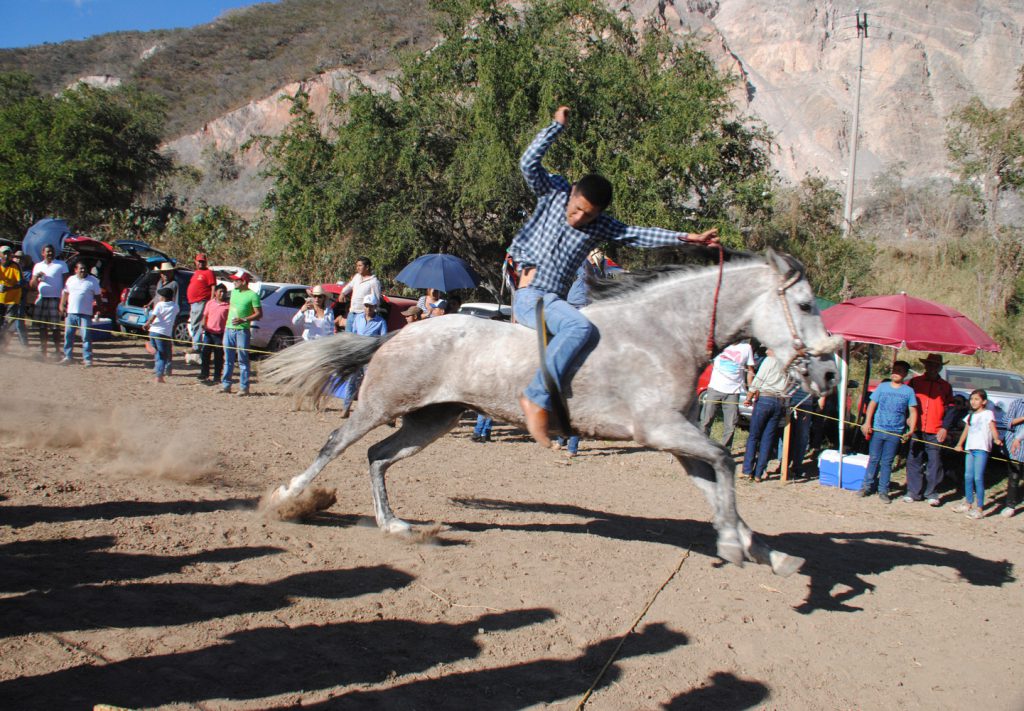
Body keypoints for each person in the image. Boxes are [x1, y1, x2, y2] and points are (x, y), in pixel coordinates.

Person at [508, 105, 719, 447]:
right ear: (572, 192)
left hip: (555, 300)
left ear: (599, 215)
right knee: (580, 327)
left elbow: (642, 234)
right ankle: (535, 396)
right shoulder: (553, 192)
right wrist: (555, 127)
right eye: (576, 210)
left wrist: (688, 238)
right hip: (531, 296)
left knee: (600, 331)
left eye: (588, 216)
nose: (578, 219)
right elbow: (527, 163)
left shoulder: (602, 226)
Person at [858, 361, 919, 503]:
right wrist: (867, 422)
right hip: (878, 428)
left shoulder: (908, 391)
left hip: (895, 432)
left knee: (887, 462)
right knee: (873, 458)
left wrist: (911, 430)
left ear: (905, 374)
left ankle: (883, 490)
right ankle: (866, 486)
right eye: (894, 370)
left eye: (899, 371)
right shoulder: (883, 387)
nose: (895, 373)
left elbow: (913, 411)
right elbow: (872, 404)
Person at [905, 353, 956, 505]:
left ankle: (931, 493)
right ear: (925, 366)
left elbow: (951, 408)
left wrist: (945, 427)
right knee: (914, 459)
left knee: (935, 462)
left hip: (935, 428)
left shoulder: (945, 386)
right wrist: (908, 417)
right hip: (917, 427)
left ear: (940, 367)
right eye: (930, 365)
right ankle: (913, 492)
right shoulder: (914, 382)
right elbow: (906, 401)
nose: (933, 368)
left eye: (936, 365)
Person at [742, 348, 792, 481]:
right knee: (767, 439)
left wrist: (748, 397)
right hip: (779, 402)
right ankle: (759, 473)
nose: (766, 351)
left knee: (754, 436)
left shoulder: (770, 361)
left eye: (769, 348)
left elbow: (758, 380)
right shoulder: (788, 365)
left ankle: (747, 470)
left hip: (765, 399)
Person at [952, 389, 1002, 519]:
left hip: (981, 448)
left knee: (978, 478)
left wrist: (996, 439)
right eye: (972, 399)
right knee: (968, 476)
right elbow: (966, 431)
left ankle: (979, 508)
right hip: (970, 449)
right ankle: (968, 502)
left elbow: (993, 428)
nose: (973, 402)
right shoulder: (971, 415)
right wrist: (960, 444)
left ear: (984, 401)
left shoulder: (988, 414)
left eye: (976, 399)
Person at [700, 341, 756, 452]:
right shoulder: (720, 343)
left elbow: (750, 371)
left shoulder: (746, 348)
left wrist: (751, 390)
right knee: (706, 420)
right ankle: (702, 448)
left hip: (733, 392)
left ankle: (724, 452)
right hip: (715, 388)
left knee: (730, 425)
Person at [340, 293, 388, 417]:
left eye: (371, 306)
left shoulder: (380, 322)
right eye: (366, 306)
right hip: (358, 354)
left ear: (375, 307)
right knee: (352, 381)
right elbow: (354, 335)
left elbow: (383, 340)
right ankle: (346, 408)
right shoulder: (358, 319)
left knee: (370, 382)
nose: (368, 309)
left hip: (370, 356)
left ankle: (371, 409)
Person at [221, 270, 262, 396]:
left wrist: (243, 319)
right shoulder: (233, 292)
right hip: (229, 329)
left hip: (242, 330)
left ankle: (244, 387)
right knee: (228, 358)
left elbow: (259, 314)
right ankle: (226, 385)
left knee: (243, 359)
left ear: (243, 281)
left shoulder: (253, 295)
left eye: (236, 280)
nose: (233, 282)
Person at [30, 244, 69, 360]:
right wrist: (36, 277)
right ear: (43, 253)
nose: (49, 254)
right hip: (42, 298)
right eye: (47, 252)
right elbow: (32, 285)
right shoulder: (37, 266)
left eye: (51, 251)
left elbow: (67, 283)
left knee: (55, 327)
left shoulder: (61, 265)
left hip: (56, 298)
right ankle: (43, 351)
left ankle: (57, 351)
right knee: (42, 327)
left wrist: (64, 301)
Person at [59, 261, 102, 366]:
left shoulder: (93, 281)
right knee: (68, 336)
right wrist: (62, 305)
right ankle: (67, 356)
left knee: (86, 337)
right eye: (80, 268)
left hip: (85, 314)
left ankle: (87, 359)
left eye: (84, 268)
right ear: (76, 270)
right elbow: (65, 293)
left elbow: (98, 297)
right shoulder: (71, 280)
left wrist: (99, 309)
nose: (82, 270)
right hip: (71, 313)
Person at [144, 287, 180, 383]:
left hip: (154, 330)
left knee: (162, 353)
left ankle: (152, 350)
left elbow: (153, 317)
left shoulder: (159, 305)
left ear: (163, 297)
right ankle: (159, 376)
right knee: (163, 355)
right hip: (165, 333)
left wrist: (147, 325)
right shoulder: (175, 306)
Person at [185, 253, 216, 363]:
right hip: (193, 302)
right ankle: (196, 344)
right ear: (195, 261)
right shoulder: (196, 272)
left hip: (201, 301)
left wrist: (211, 302)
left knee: (198, 324)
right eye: (199, 261)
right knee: (193, 324)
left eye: (202, 261)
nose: (200, 263)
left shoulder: (208, 273)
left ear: (206, 262)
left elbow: (213, 287)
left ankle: (197, 346)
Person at [339, 257, 381, 333]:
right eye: (357, 266)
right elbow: (349, 286)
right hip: (352, 312)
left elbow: (376, 300)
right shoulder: (357, 277)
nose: (357, 268)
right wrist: (342, 293)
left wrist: (371, 316)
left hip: (363, 314)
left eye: (360, 266)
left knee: (357, 338)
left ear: (367, 267)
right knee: (347, 336)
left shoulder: (374, 281)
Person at [199, 283, 230, 385]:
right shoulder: (210, 303)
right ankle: (204, 373)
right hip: (209, 332)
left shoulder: (228, 305)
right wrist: (203, 323)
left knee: (218, 356)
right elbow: (205, 315)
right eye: (220, 291)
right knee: (205, 354)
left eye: (224, 292)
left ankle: (217, 376)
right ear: (215, 293)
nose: (222, 293)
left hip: (220, 334)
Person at [1003, 397, 1024, 518]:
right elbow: (1006, 422)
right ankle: (1010, 505)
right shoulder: (1017, 403)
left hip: (1019, 441)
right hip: (1014, 447)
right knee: (1014, 476)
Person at [0, 246, 23, 350]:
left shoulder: (15, 266)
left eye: (8, 253)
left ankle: (3, 346)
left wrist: (9, 287)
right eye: (4, 253)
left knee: (9, 324)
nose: (6, 256)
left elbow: (21, 282)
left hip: (13, 300)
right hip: (0, 299)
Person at [9, 250, 31, 347]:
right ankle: (4, 344)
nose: (18, 260)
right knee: (7, 322)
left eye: (21, 258)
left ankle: (24, 345)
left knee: (18, 323)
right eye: (16, 257)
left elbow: (25, 286)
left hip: (20, 300)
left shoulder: (27, 273)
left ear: (24, 261)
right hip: (7, 300)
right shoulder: (9, 270)